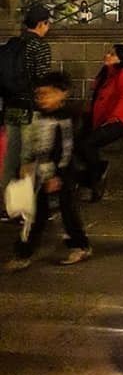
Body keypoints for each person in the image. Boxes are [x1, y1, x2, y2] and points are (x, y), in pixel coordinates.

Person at [4, 71, 91, 270]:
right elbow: (35, 145)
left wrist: (57, 175)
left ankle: (80, 245)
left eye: (48, 94)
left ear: (62, 94)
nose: (42, 99)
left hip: (60, 174)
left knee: (67, 211)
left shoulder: (64, 119)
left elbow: (66, 149)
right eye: (39, 95)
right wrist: (26, 166)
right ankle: (23, 252)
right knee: (35, 214)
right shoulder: (39, 117)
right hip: (41, 173)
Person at [1, 5, 52, 219]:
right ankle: (24, 208)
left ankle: (5, 207)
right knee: (28, 157)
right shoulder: (39, 46)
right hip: (31, 108)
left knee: (11, 158)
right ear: (41, 24)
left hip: (11, 106)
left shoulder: (12, 44)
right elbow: (42, 79)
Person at [77, 44, 123, 202]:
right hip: (104, 119)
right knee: (78, 144)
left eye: (112, 54)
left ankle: (95, 179)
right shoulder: (106, 74)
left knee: (88, 144)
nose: (107, 55)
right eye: (108, 53)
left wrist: (113, 118)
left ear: (121, 58)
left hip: (122, 120)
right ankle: (94, 175)